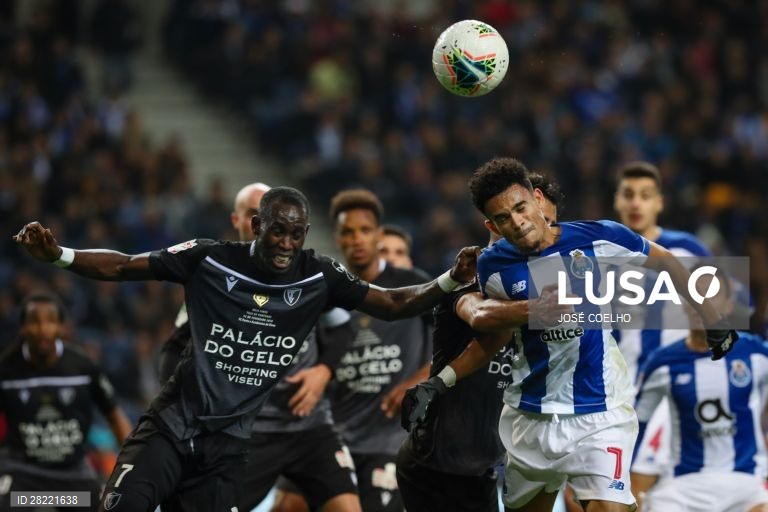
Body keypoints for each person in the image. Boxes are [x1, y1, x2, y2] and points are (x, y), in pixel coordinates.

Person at [12, 186, 478, 512]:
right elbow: (125, 267)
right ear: (255, 225)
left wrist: (452, 279)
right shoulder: (209, 259)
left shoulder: (317, 276)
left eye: (297, 235)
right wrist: (60, 256)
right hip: (173, 428)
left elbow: (394, 304)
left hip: (231, 445)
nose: (287, 245)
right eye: (278, 231)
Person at [402, 158, 736, 512]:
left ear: (536, 197)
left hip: (601, 412)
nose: (516, 222)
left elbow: (668, 262)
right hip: (530, 419)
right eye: (503, 218)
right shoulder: (492, 266)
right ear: (491, 224)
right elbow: (494, 337)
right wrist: (440, 381)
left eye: (520, 208)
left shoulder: (600, 236)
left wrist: (712, 316)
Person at [155, 182, 363, 512]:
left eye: (290, 227)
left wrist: (324, 370)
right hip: (248, 432)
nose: (281, 232)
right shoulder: (214, 277)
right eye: (259, 215)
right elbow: (173, 351)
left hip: (308, 425)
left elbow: (344, 326)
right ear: (243, 222)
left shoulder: (308, 273)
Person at [396, 172, 563, 512]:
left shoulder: (546, 280)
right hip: (442, 461)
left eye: (551, 224)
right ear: (495, 224)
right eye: (539, 221)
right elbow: (483, 318)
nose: (543, 233)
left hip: (485, 461)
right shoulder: (472, 275)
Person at [273, 189, 434, 512]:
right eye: (348, 232)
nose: (357, 239)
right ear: (337, 238)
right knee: (286, 505)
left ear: (378, 234)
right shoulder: (324, 291)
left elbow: (453, 346)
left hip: (389, 441)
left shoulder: (410, 285)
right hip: (332, 433)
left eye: (364, 230)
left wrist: (416, 382)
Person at [631, 270, 768, 512]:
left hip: (746, 483)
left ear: (727, 304)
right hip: (683, 486)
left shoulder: (755, 353)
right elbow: (635, 425)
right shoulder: (662, 362)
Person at [612, 162, 713, 487]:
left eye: (645, 195)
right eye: (628, 195)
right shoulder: (600, 255)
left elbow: (729, 313)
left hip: (681, 391)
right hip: (621, 398)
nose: (636, 203)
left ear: (660, 203)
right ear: (617, 201)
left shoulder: (688, 250)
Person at [0, 292, 133, 511]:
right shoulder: (6, 370)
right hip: (22, 476)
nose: (43, 329)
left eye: (50, 321)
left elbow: (114, 415)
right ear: (22, 328)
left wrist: (132, 467)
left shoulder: (83, 367)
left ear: (62, 327)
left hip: (72, 478)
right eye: (34, 322)